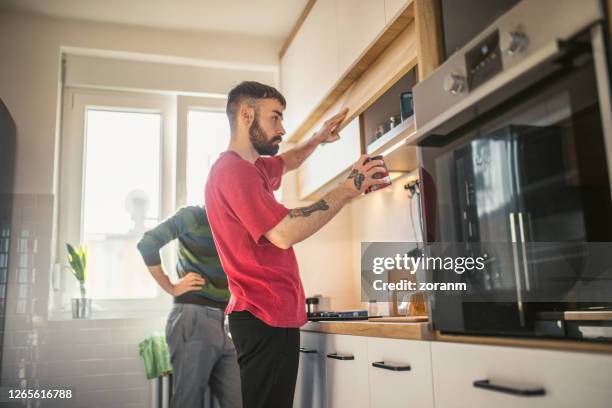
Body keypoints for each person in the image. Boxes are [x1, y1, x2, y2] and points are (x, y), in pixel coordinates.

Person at [204, 81, 387, 408]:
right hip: (264, 314)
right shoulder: (234, 172)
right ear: (247, 115)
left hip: (263, 315)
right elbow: (284, 232)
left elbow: (288, 161)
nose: (282, 128)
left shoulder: (252, 168)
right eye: (274, 118)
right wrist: (347, 189)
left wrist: (318, 139)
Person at [137, 206, 242, 408]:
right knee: (188, 402)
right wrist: (170, 286)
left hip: (223, 321)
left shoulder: (235, 224)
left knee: (239, 400)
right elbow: (148, 243)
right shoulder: (195, 215)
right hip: (194, 316)